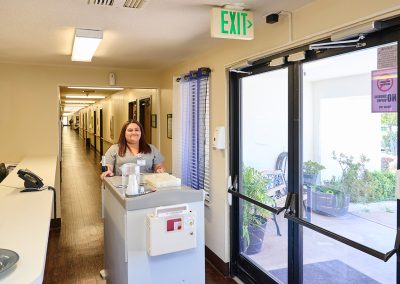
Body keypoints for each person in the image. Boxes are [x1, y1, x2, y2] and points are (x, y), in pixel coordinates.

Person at [101, 120, 165, 179]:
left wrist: (159, 169)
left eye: (137, 130)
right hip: (122, 185)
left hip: (147, 186)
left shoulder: (152, 149)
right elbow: (108, 166)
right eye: (130, 130)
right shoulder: (114, 149)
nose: (134, 132)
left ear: (141, 133)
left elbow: (159, 166)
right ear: (124, 133)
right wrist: (108, 171)